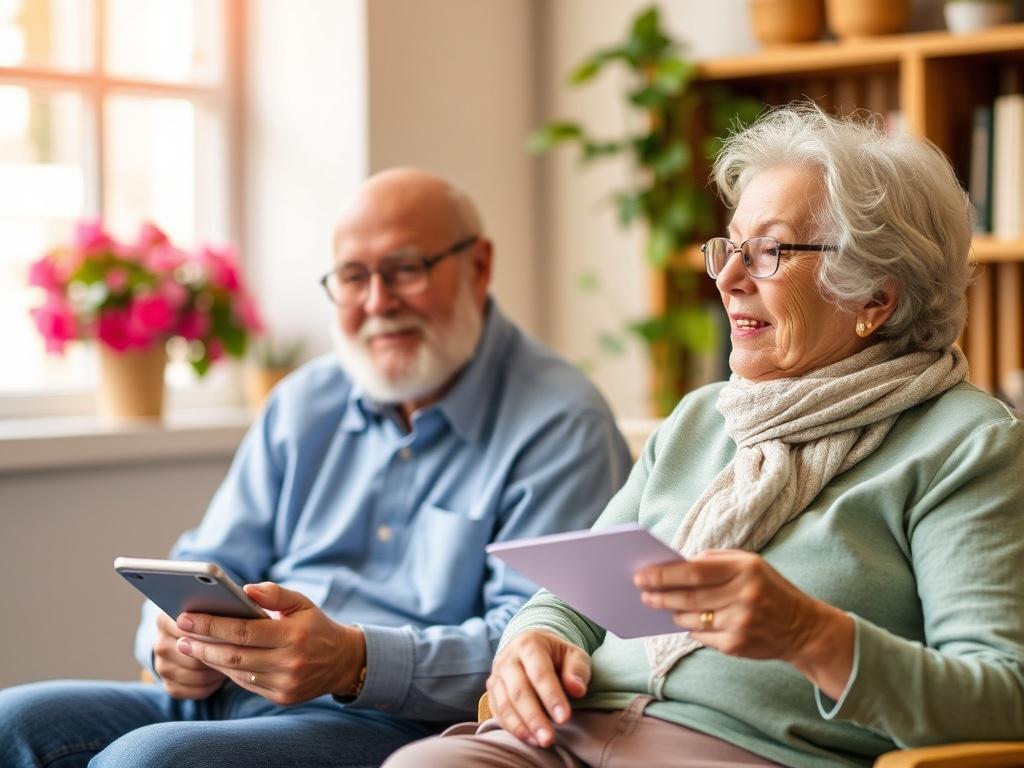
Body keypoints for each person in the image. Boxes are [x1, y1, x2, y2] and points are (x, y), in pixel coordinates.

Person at [384, 106, 1024, 768]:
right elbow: (571, 599)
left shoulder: (965, 444)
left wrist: (810, 635)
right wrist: (534, 640)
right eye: (729, 247)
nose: (726, 277)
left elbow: (1007, 696)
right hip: (564, 738)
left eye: (770, 252)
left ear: (875, 298)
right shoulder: (702, 418)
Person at [0, 168, 633, 768]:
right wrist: (170, 640)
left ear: (479, 266)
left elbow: (547, 638)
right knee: (12, 721)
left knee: (149, 761)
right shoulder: (304, 402)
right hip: (227, 692)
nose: (378, 301)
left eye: (405, 270)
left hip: (397, 722)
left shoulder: (562, 423)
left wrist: (354, 661)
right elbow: (215, 554)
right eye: (353, 277)